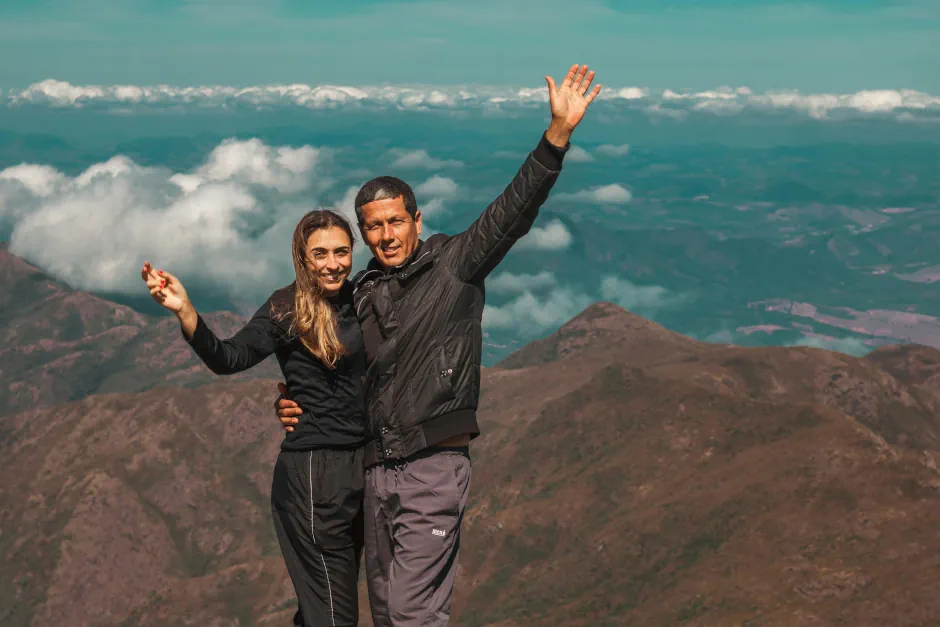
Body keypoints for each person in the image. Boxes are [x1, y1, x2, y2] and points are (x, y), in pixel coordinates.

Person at [275, 64, 602, 626]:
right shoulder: (358, 295)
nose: (386, 235)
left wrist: (555, 138)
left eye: (395, 221)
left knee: (410, 613)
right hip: (374, 472)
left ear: (416, 220)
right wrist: (292, 399)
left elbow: (511, 213)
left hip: (433, 464)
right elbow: (331, 365)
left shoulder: (455, 264)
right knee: (384, 611)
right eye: (372, 226)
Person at [141, 209, 368, 627]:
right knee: (334, 617)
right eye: (320, 254)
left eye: (341, 252)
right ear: (302, 257)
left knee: (325, 609)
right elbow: (231, 357)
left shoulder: (363, 299)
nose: (333, 263)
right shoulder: (286, 308)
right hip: (315, 476)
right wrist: (186, 311)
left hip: (362, 470)